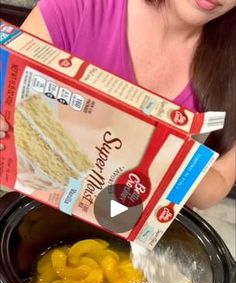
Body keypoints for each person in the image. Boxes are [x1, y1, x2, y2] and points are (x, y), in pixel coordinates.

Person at [1, 0, 235, 209]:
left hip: (134, 224)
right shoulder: (76, 7)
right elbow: (10, 98)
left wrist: (163, 161)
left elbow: (219, 179)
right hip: (40, 211)